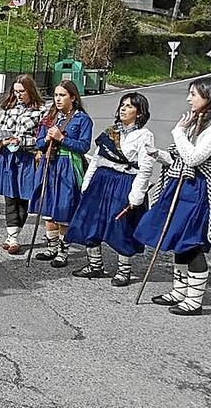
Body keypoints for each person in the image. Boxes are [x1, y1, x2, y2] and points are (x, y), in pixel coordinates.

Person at [134, 77, 211, 315]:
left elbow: (194, 158)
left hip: (200, 187)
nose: (188, 99)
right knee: (177, 238)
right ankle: (179, 291)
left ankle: (194, 301)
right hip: (181, 183)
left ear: (208, 97)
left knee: (192, 241)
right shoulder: (197, 120)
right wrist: (159, 155)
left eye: (193, 94)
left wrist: (178, 132)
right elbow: (180, 157)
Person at [66, 92, 155, 286]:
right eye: (122, 105)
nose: (123, 108)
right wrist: (87, 182)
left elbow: (145, 167)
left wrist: (136, 194)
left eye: (130, 106)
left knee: (120, 225)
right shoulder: (110, 132)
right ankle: (95, 264)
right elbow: (97, 159)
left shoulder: (144, 136)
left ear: (139, 113)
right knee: (90, 221)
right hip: (101, 180)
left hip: (125, 182)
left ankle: (124, 270)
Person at [31, 80, 92, 268]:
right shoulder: (50, 117)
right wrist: (46, 138)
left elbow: (83, 146)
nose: (58, 99)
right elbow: (39, 142)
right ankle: (52, 246)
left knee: (64, 207)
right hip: (50, 165)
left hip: (68, 166)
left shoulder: (83, 119)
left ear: (73, 97)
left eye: (62, 95)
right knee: (48, 206)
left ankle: (63, 251)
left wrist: (62, 139)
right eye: (56, 95)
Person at [0, 76, 46, 255]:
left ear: (30, 91)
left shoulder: (41, 111)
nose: (18, 95)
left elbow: (40, 140)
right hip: (8, 157)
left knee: (23, 196)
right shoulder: (10, 109)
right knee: (10, 195)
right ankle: (12, 237)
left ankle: (15, 233)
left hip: (27, 157)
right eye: (16, 91)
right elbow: (0, 129)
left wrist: (21, 140)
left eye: (22, 91)